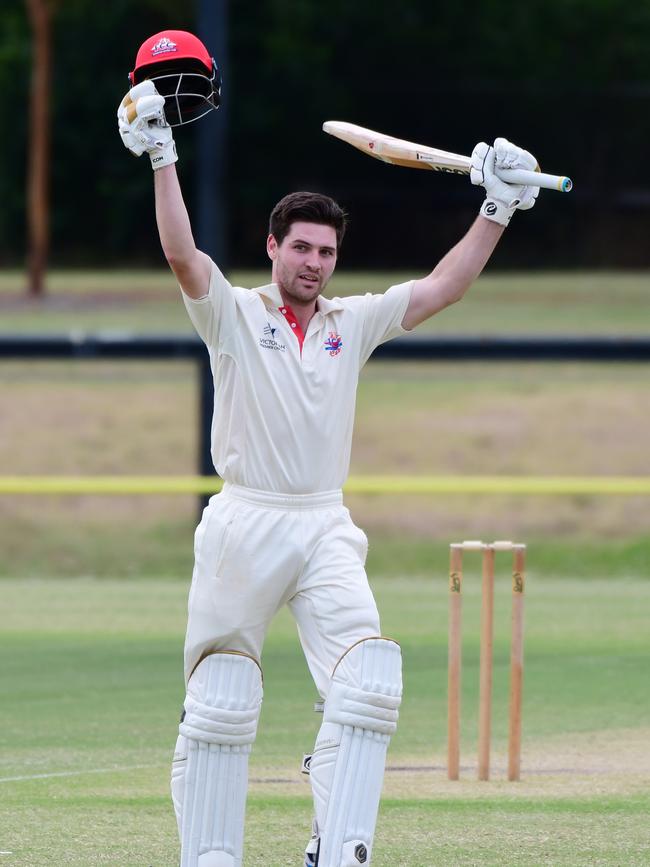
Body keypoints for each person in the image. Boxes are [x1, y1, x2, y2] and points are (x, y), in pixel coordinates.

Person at [117, 79, 539, 867]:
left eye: (326, 252)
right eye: (301, 248)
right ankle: (210, 856)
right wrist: (162, 156)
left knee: (369, 681)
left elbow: (444, 287)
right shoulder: (233, 314)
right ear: (273, 247)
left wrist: (498, 207)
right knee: (220, 699)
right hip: (245, 519)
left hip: (324, 525)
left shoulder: (355, 321)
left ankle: (336, 848)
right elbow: (181, 252)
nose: (314, 263)